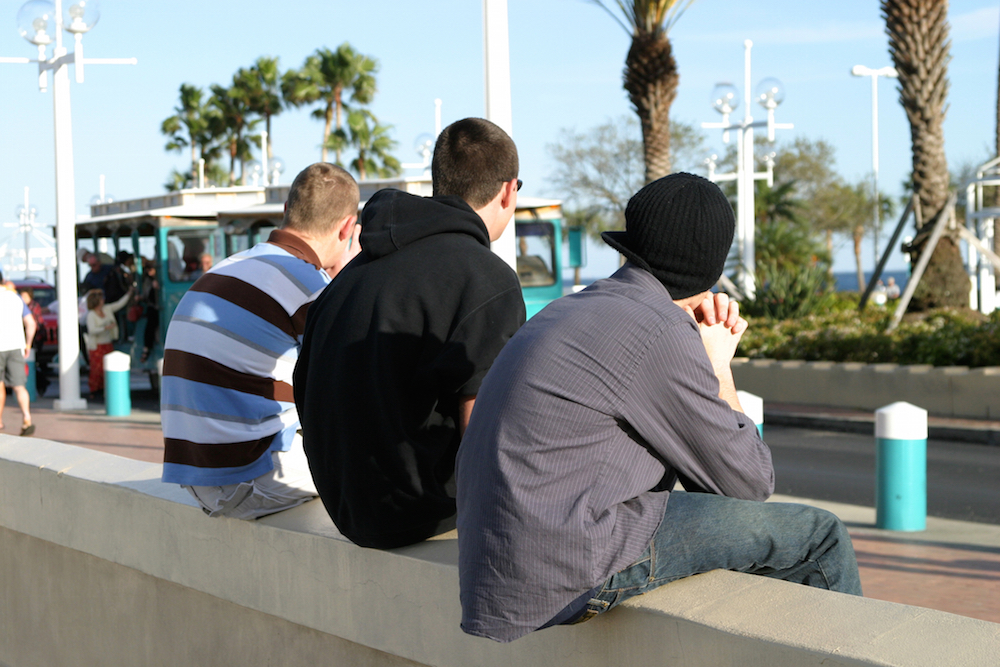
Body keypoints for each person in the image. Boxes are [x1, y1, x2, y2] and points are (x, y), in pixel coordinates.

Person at [456, 173, 862, 643]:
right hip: (565, 567)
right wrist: (718, 365)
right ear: (712, 264)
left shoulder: (572, 309)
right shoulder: (659, 332)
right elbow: (749, 483)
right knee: (819, 535)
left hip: (499, 565)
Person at [295, 117, 526, 549]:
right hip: (423, 515)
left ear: (440, 181)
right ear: (509, 190)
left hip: (349, 511)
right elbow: (488, 428)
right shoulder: (486, 278)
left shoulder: (351, 274)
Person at [160, 163, 361, 520]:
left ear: (286, 212)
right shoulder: (311, 288)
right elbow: (351, 392)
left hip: (196, 475)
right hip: (248, 478)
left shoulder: (226, 269)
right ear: (348, 227)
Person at [0, 270, 36, 436]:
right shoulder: (16, 298)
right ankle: (27, 418)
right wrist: (27, 344)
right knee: (20, 386)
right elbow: (31, 323)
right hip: (16, 346)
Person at [84, 286, 133, 400]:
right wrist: (106, 328)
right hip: (97, 345)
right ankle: (95, 390)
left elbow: (119, 304)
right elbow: (92, 330)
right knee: (96, 370)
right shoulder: (91, 315)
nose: (103, 300)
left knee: (107, 368)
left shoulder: (107, 309)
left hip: (107, 343)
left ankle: (105, 389)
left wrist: (129, 294)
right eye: (101, 299)